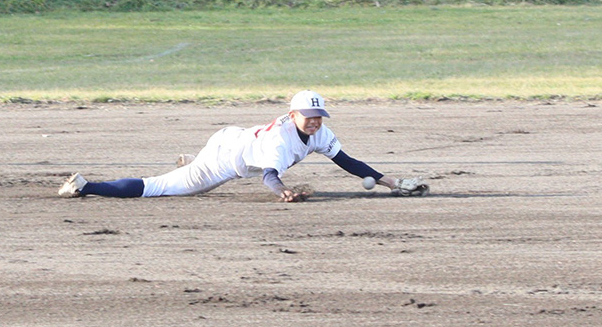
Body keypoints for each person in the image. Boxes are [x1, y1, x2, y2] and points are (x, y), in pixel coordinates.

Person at [58, 90, 429, 201]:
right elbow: (269, 175)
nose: (315, 120)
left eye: (319, 115)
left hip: (233, 137)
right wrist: (282, 192)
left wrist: (391, 184)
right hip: (225, 159)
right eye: (308, 115)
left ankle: (190, 161)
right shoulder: (280, 140)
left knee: (187, 170)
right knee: (162, 188)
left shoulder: (318, 133)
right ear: (293, 113)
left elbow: (348, 161)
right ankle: (85, 186)